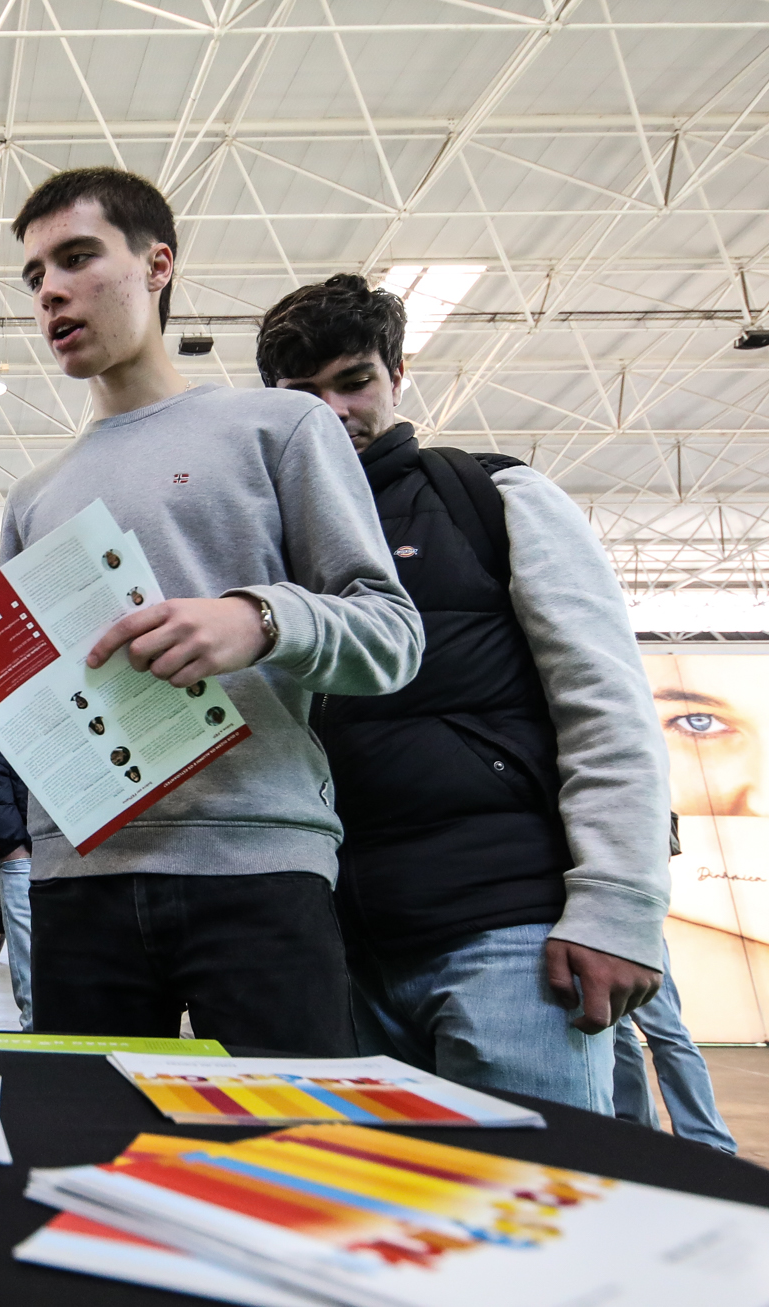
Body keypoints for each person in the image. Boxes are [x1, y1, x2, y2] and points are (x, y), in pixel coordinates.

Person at [0, 168, 423, 1052]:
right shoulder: (36, 497)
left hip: (259, 862)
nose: (51, 290)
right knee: (93, 1154)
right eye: (36, 275)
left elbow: (392, 633)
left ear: (158, 264)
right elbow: (39, 705)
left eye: (78, 258)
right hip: (79, 878)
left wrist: (258, 620)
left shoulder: (278, 428)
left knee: (291, 1161)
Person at [256, 273, 669, 1113]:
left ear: (396, 375)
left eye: (354, 381)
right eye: (304, 395)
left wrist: (618, 906)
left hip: (508, 935)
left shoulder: (494, 498)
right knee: (379, 1223)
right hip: (337, 950)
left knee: (535, 1211)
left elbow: (606, 704)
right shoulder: (265, 547)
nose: (334, 411)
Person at [613, 940, 737, 1152]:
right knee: (617, 1035)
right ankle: (636, 1132)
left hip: (632, 931)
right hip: (585, 933)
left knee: (667, 1034)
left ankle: (709, 1143)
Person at [0, 740, 33, 1031]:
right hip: (22, 851)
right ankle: (42, 1051)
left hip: (77, 848)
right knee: (37, 986)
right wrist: (13, 845)